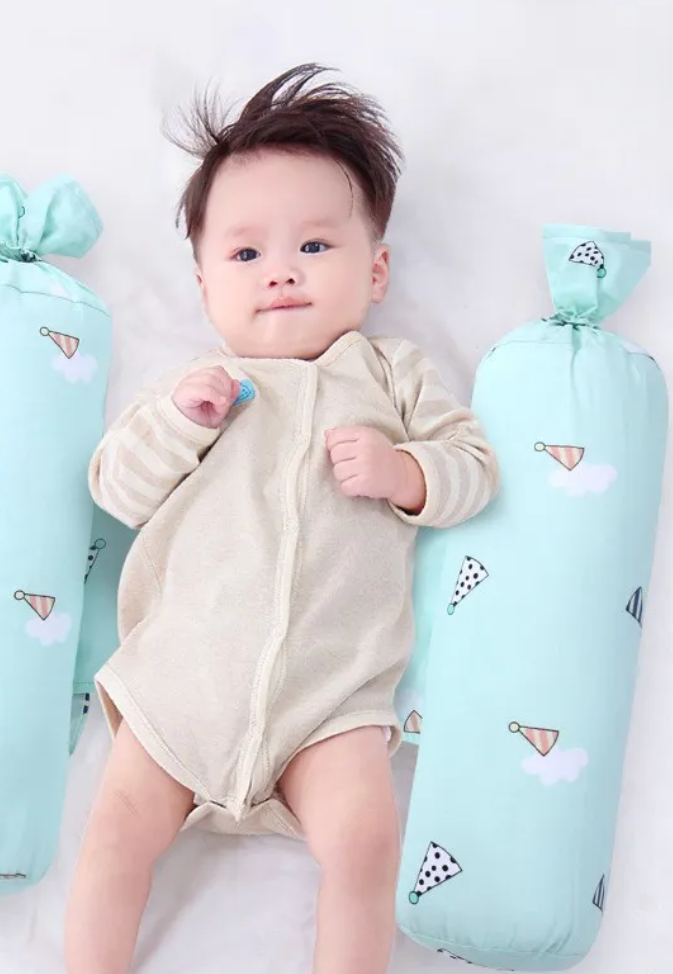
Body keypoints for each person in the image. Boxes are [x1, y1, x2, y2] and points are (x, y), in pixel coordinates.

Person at [66, 63, 499, 974]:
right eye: (246, 253)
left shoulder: (391, 377)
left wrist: (404, 471)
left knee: (367, 843)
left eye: (314, 247)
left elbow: (475, 471)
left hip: (329, 702)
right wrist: (183, 422)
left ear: (375, 270)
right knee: (112, 837)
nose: (282, 275)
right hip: (180, 688)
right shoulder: (195, 389)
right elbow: (116, 488)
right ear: (202, 287)